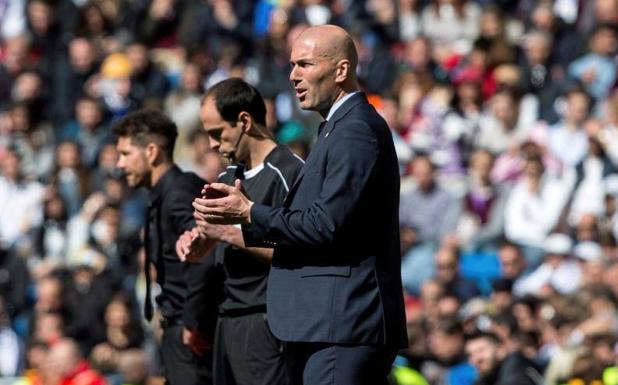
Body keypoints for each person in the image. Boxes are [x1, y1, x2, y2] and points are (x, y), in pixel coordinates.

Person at [192, 24, 408, 385]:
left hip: (344, 323)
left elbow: (327, 225)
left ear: (341, 70)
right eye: (292, 65)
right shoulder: (333, 128)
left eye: (305, 65)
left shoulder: (355, 130)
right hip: (327, 324)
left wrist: (248, 213)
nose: (293, 76)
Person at [178, 77, 303, 385]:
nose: (211, 144)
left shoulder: (290, 173)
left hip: (267, 322)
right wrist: (199, 244)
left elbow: (303, 255)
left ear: (244, 121)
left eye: (217, 133)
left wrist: (231, 234)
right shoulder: (228, 175)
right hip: (228, 318)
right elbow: (215, 240)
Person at [113, 109, 215, 385]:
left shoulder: (180, 193)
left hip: (192, 336)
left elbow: (207, 251)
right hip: (179, 330)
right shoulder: (163, 195)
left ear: (151, 152)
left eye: (125, 154)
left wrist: (193, 322)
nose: (119, 164)